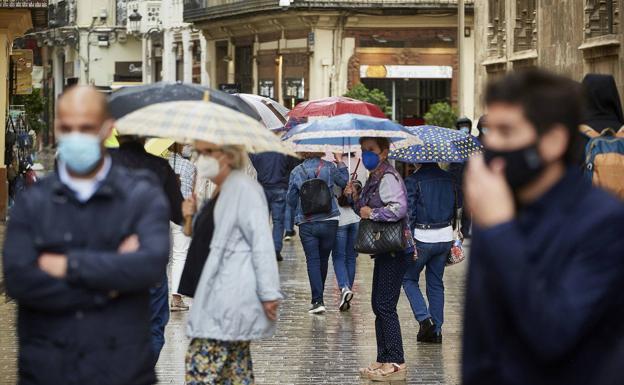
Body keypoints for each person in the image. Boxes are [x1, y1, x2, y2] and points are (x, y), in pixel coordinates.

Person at [462, 70, 624, 385]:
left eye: (506, 132)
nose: (491, 143)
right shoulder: (497, 209)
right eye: (489, 130)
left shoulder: (604, 222)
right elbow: (480, 339)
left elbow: (554, 333)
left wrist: (499, 230)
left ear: (552, 141)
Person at [2, 86, 170, 385]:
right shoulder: (34, 202)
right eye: (68, 127)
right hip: (49, 372)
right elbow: (19, 280)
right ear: (56, 128)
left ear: (108, 129)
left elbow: (150, 266)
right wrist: (115, 273)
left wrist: (65, 267)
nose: (76, 136)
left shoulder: (141, 196)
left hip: (123, 372)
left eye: (86, 127)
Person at [180, 141, 282, 385]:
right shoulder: (219, 190)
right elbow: (207, 237)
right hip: (213, 296)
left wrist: (269, 293)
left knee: (200, 371)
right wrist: (189, 217)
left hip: (227, 299)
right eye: (199, 153)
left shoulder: (244, 189)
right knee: (235, 376)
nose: (200, 159)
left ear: (226, 156)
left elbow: (261, 242)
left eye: (206, 153)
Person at [345, 137, 413, 382]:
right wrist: (354, 195)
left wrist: (372, 212)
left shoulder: (388, 177)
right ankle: (383, 357)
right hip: (385, 250)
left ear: (384, 152)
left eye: (371, 150)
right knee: (378, 304)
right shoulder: (373, 177)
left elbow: (399, 208)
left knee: (385, 305)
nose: (366, 155)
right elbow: (362, 210)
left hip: (396, 250)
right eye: (363, 150)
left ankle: (396, 361)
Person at [112, 135, 184, 363]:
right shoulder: (161, 167)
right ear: (144, 136)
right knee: (153, 324)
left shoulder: (101, 167)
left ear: (117, 134)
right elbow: (179, 215)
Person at [403, 163, 458, 343]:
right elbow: (457, 206)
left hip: (422, 237)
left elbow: (409, 214)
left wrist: (408, 243)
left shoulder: (413, 180)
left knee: (408, 278)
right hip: (445, 236)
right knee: (436, 282)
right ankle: (436, 331)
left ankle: (424, 319)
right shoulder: (449, 178)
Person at [287, 152, 348, 314]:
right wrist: (341, 162)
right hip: (330, 220)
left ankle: (318, 300)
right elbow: (344, 182)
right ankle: (318, 298)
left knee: (312, 260)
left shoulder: (297, 171)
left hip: (307, 222)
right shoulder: (329, 167)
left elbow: (291, 201)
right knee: (323, 259)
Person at [250, 151, 299, 261]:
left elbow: (252, 159)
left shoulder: (259, 152)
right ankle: (276, 250)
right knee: (278, 222)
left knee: (262, 221)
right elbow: (292, 165)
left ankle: (263, 248)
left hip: (262, 188)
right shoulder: (283, 151)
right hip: (280, 188)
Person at [332, 152, 365, 312]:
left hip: (339, 219)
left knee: (338, 257)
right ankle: (347, 293)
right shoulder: (362, 164)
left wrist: (338, 162)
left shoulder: (333, 168)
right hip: (356, 219)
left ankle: (345, 288)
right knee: (351, 258)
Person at [168, 143, 196, 311]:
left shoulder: (162, 163)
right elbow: (194, 192)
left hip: (163, 211)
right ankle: (176, 298)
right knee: (180, 255)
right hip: (182, 213)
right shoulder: (191, 166)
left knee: (166, 256)